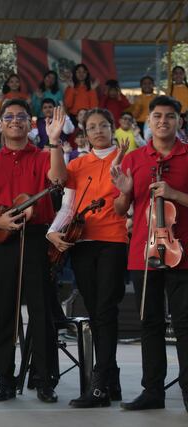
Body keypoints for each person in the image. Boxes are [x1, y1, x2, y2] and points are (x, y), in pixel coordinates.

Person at [0, 101, 67, 404]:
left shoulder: (42, 156)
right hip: (2, 239)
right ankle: (5, 379)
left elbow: (59, 179)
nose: (14, 121)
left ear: (30, 123)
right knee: (6, 312)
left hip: (37, 238)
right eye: (8, 117)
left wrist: (54, 141)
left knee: (41, 311)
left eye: (21, 117)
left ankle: (44, 378)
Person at [47, 108, 129, 408]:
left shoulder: (125, 159)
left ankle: (99, 386)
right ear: (84, 132)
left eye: (103, 125)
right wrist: (51, 233)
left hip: (113, 241)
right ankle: (112, 376)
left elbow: (127, 202)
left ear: (112, 127)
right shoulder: (78, 163)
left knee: (105, 309)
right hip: (81, 242)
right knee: (96, 312)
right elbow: (68, 206)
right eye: (91, 126)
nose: (98, 131)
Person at [113, 95, 188, 412]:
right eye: (156, 116)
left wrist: (173, 194)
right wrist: (125, 191)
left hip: (183, 252)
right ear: (149, 121)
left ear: (179, 121)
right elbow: (120, 209)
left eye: (170, 116)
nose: (162, 121)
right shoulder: (133, 159)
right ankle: (152, 391)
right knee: (150, 324)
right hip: (143, 254)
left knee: (186, 325)